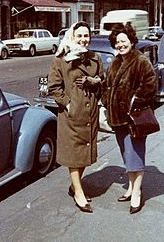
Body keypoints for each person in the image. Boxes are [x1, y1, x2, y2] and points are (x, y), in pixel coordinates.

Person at [48, 21, 104, 213]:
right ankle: (79, 193)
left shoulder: (95, 58)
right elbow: (54, 87)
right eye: (79, 36)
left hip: (90, 114)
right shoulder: (61, 60)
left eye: (86, 36)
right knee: (74, 155)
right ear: (72, 37)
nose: (83, 40)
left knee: (85, 153)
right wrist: (69, 104)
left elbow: (102, 83)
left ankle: (74, 186)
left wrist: (94, 82)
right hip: (72, 115)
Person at [102, 23, 156, 214]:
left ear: (132, 42)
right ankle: (132, 187)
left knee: (135, 155)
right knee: (127, 154)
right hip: (118, 119)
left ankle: (136, 194)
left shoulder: (141, 61)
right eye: (117, 42)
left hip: (135, 119)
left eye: (123, 41)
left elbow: (150, 86)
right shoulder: (115, 62)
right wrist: (106, 100)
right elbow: (106, 85)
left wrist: (133, 102)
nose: (120, 45)